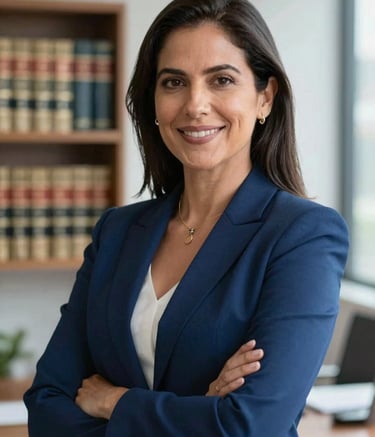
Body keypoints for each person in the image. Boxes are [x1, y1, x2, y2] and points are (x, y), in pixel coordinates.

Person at [24, 0, 349, 435]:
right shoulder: (117, 233)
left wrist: (117, 402)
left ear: (264, 98)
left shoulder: (302, 236)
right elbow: (47, 407)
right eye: (174, 82)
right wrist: (199, 411)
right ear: (153, 102)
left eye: (222, 80)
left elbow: (252, 425)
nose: (195, 105)